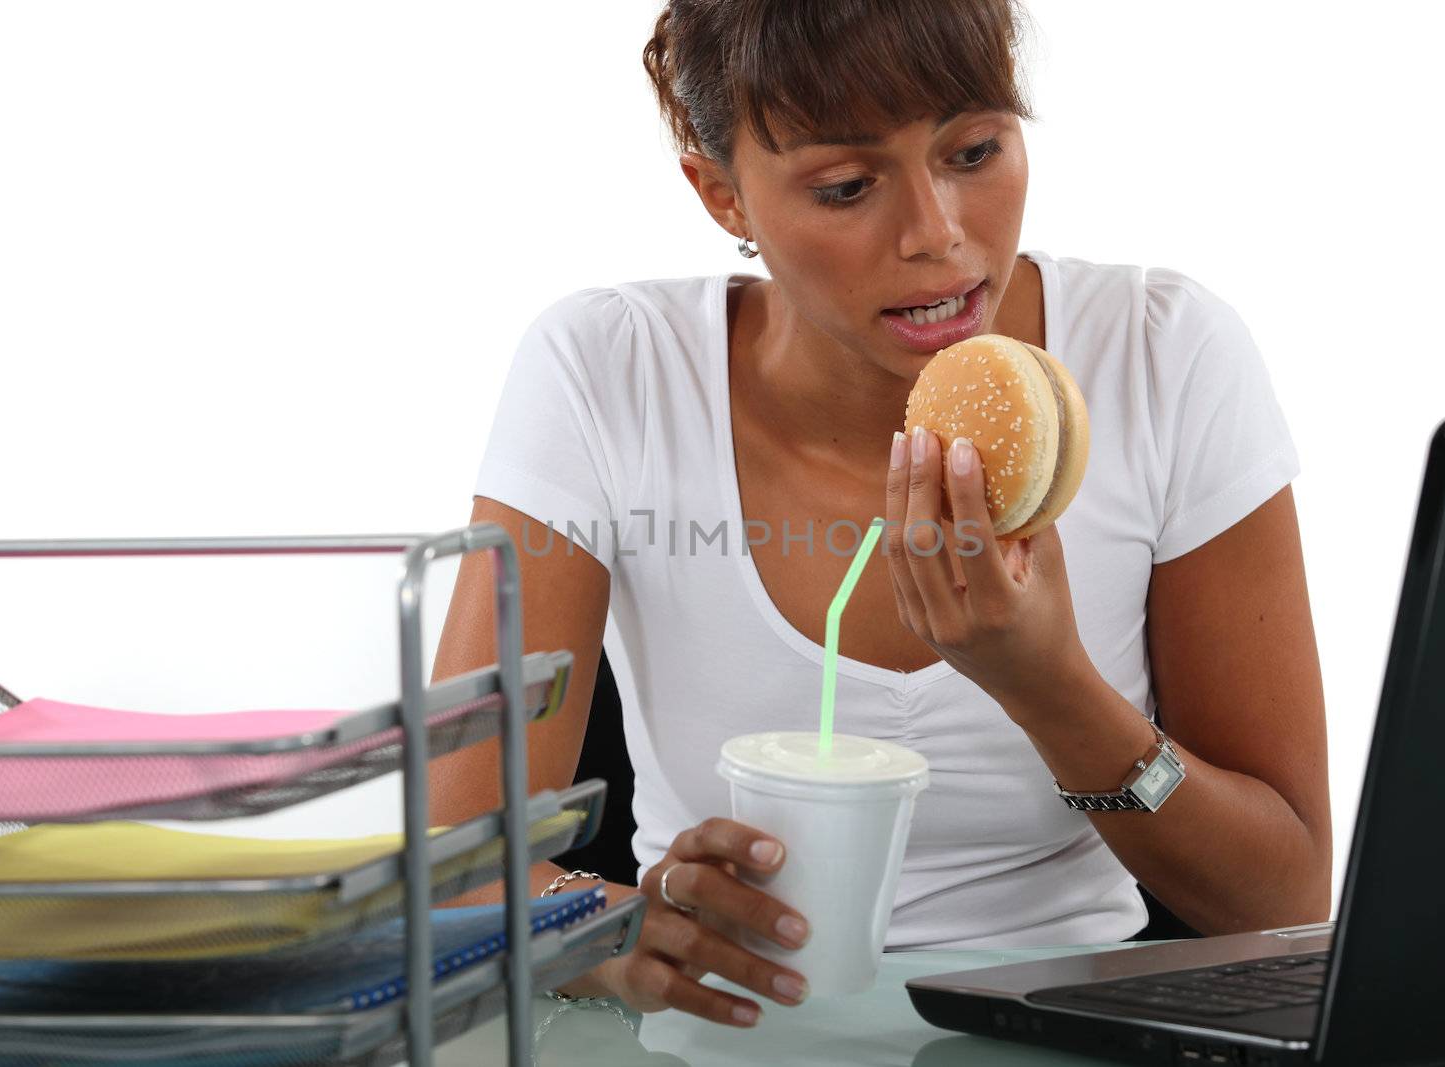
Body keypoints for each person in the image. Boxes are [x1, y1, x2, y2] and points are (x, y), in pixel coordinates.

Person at [428, 0, 1331, 1030]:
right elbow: (452, 867)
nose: (938, 232)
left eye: (976, 148)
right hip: (719, 1034)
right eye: (847, 186)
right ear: (721, 192)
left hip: (1076, 1026)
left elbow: (1285, 899)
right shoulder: (607, 371)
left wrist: (1053, 690)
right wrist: (613, 929)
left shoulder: (1164, 355)